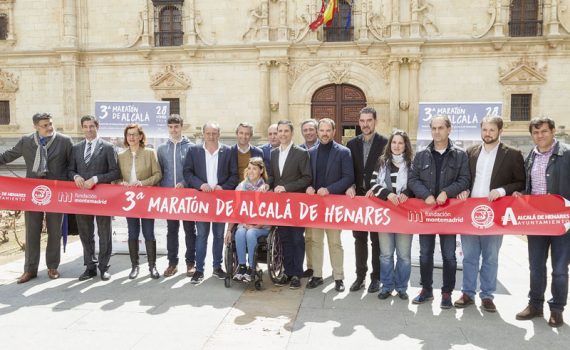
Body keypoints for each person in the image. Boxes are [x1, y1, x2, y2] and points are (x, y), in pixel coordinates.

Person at [454, 116, 525, 312]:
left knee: (491, 257)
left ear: (500, 131)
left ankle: (487, 296)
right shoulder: (471, 152)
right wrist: (464, 190)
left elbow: (520, 182)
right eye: (485, 129)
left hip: (494, 214)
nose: (488, 133)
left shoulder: (513, 155)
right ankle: (468, 293)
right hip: (470, 213)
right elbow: (464, 178)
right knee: (469, 256)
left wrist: (502, 190)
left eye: (492, 130)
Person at [0, 113, 73, 283]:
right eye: (45, 125)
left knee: (55, 231)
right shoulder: (26, 141)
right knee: (32, 231)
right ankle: (30, 269)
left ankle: (52, 266)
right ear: (35, 127)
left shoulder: (64, 141)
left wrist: (70, 183)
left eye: (50, 124)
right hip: (32, 194)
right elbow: (7, 156)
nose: (49, 127)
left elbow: (71, 165)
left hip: (56, 193)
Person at [408, 115, 470, 309]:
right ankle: (426, 289)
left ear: (449, 129)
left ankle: (446, 293)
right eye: (433, 128)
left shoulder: (460, 155)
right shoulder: (421, 155)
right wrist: (425, 194)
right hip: (426, 214)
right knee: (425, 254)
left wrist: (447, 192)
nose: (437, 132)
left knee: (449, 255)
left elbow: (465, 180)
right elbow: (413, 179)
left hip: (448, 215)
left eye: (441, 128)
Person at [514, 117, 570, 328]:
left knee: (559, 269)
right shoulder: (531, 156)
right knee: (536, 266)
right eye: (536, 133)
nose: (540, 136)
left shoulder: (566, 154)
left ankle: (556, 309)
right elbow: (532, 188)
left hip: (561, 222)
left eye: (544, 131)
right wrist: (522, 195)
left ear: (553, 131)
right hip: (537, 221)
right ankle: (535, 305)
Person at [183, 122, 238, 284]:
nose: (211, 136)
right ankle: (199, 270)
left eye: (214, 133)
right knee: (201, 236)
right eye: (208, 133)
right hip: (202, 201)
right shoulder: (194, 150)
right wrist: (199, 184)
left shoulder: (227, 151)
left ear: (219, 134)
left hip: (220, 201)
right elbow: (187, 172)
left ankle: (217, 267)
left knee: (219, 235)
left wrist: (224, 186)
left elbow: (234, 175)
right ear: (203, 134)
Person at [68, 115, 120, 281]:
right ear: (82, 128)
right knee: (85, 233)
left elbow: (115, 172)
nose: (89, 129)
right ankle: (90, 267)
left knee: (104, 233)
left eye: (92, 126)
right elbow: (69, 170)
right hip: (82, 199)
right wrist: (75, 176)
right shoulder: (76, 148)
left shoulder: (108, 147)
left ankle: (104, 267)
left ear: (98, 127)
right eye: (85, 126)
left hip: (102, 198)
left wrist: (96, 179)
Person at [305, 118, 354, 292]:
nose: (324, 134)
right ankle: (317, 275)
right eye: (322, 130)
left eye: (328, 131)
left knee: (335, 242)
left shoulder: (343, 152)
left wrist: (330, 189)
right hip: (316, 206)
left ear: (334, 132)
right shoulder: (310, 152)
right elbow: (307, 176)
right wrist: (308, 186)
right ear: (317, 132)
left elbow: (348, 177)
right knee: (316, 242)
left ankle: (339, 277)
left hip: (334, 205)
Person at [367, 129, 414, 300]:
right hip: (385, 216)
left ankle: (401, 287)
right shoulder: (381, 162)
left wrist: (407, 192)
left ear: (405, 145)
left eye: (400, 142)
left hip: (404, 217)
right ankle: (386, 286)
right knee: (386, 254)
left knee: (404, 256)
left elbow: (416, 184)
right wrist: (388, 194)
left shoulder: (411, 164)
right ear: (390, 144)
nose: (396, 145)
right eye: (394, 142)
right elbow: (373, 183)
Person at [346, 107, 388, 293]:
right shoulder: (352, 144)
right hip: (358, 199)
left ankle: (376, 278)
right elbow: (349, 171)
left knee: (376, 240)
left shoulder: (385, 143)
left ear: (375, 121)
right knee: (359, 239)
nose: (365, 124)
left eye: (369, 120)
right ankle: (360, 277)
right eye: (362, 121)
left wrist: (378, 189)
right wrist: (350, 186)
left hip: (377, 198)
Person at [268, 120, 312, 289]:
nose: (283, 134)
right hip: (280, 206)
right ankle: (287, 271)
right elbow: (272, 176)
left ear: (292, 133)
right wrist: (267, 184)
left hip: (295, 203)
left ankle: (296, 274)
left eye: (286, 131)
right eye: (280, 131)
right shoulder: (273, 153)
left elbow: (307, 178)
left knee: (296, 239)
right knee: (284, 238)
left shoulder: (301, 153)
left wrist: (286, 188)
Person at [117, 124, 162, 279]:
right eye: (129, 134)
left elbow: (158, 175)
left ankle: (152, 266)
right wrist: (119, 184)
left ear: (141, 136)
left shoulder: (150, 153)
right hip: (130, 201)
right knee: (132, 233)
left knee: (149, 232)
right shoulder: (121, 155)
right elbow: (116, 178)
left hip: (147, 200)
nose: (131, 137)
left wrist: (142, 183)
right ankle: (134, 267)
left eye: (135, 134)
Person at [156, 115, 197, 278]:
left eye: (176, 127)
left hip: (186, 196)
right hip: (169, 197)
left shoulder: (191, 148)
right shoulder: (161, 149)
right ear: (168, 128)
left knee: (189, 230)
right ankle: (172, 263)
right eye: (171, 127)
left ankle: (190, 263)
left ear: (182, 127)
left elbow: (194, 171)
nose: (174, 130)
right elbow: (160, 172)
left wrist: (184, 183)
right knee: (171, 230)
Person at [224, 157, 270, 282]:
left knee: (250, 233)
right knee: (239, 232)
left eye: (254, 169)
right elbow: (235, 209)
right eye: (249, 168)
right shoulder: (241, 187)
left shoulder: (266, 188)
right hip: (245, 223)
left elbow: (269, 212)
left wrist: (256, 226)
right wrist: (229, 230)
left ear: (261, 171)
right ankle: (242, 267)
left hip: (262, 226)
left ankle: (252, 268)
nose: (251, 171)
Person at [299, 118, 320, 278]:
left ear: (317, 130)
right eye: (305, 130)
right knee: (309, 237)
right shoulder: (298, 150)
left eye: (311, 129)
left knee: (329, 239)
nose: (308, 133)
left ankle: (331, 272)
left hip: (324, 198)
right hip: (305, 200)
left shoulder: (324, 148)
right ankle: (311, 267)